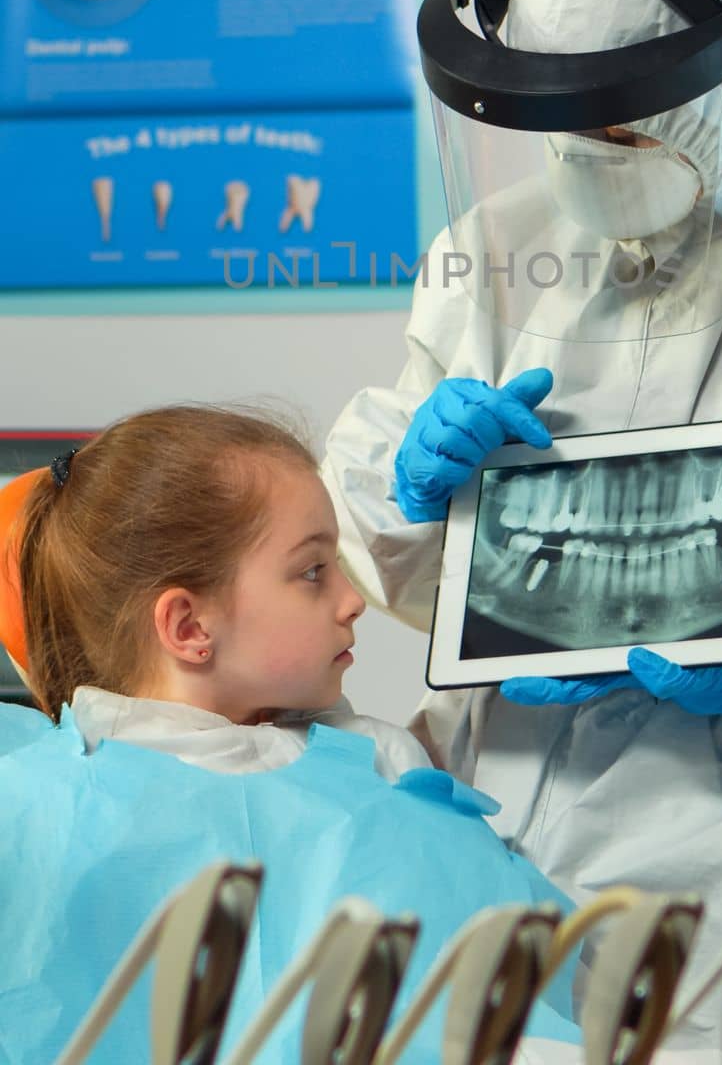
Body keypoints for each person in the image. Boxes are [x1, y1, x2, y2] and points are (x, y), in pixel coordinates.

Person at [323, 0, 722, 1050]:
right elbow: (371, 540)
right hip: (484, 835)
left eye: (623, 120)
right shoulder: (497, 243)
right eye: (559, 124)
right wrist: (414, 494)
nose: (589, 154)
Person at [0, 405, 578, 1064]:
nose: (351, 599)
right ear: (189, 628)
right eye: (312, 572)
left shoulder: (388, 771)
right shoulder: (33, 818)